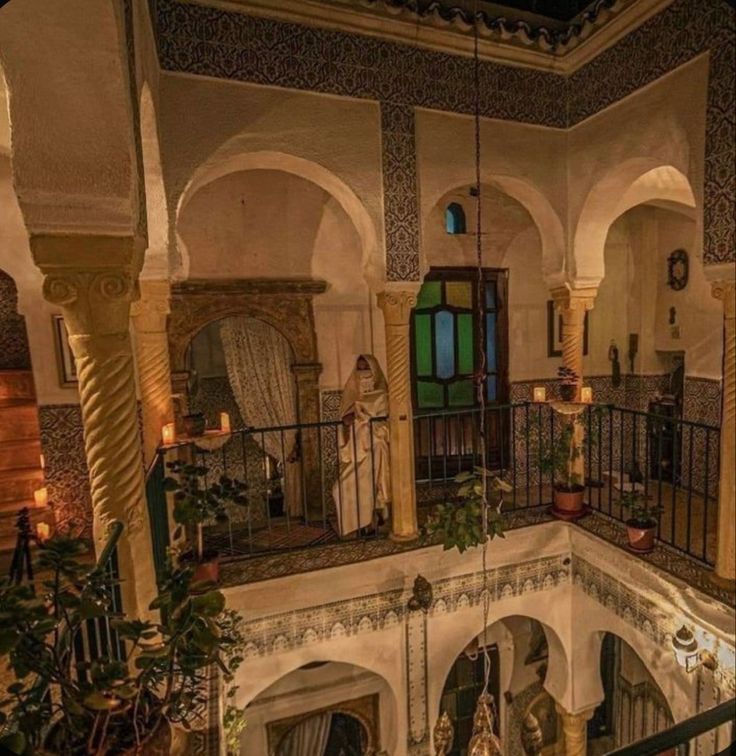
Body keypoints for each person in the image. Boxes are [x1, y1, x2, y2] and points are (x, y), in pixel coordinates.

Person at [332, 355, 390, 536]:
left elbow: (387, 426)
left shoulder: (384, 396)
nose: (363, 375)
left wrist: (362, 420)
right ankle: (359, 525)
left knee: (368, 488)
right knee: (340, 488)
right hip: (354, 452)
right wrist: (347, 423)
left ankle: (370, 524)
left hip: (374, 449)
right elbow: (344, 424)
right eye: (360, 370)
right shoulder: (350, 397)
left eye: (367, 370)